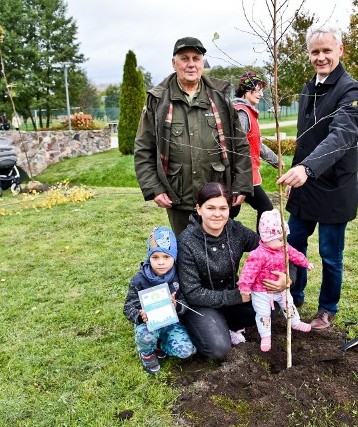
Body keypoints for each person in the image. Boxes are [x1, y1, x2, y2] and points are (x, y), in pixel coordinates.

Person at [276, 25, 358, 330]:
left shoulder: (351, 91)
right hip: (304, 184)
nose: (321, 57)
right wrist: (295, 172)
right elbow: (305, 140)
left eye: (327, 50)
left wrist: (308, 168)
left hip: (333, 187)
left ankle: (327, 308)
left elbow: (342, 136)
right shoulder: (306, 88)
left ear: (340, 50)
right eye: (315, 51)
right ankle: (293, 296)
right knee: (293, 245)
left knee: (330, 254)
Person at [134, 36, 253, 236]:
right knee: (185, 254)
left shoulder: (219, 97)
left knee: (219, 253)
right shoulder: (158, 100)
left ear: (202, 63)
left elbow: (239, 145)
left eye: (196, 59)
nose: (191, 64)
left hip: (217, 195)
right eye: (185, 58)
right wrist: (154, 187)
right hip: (177, 196)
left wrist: (241, 184)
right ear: (174, 63)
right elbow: (144, 148)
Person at [177, 182, 290, 359]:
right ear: (198, 209)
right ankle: (200, 326)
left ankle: (225, 324)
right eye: (210, 208)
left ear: (229, 209)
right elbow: (192, 292)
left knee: (272, 304)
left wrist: (287, 279)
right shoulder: (187, 241)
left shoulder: (235, 230)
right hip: (202, 304)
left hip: (231, 297)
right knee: (218, 349)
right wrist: (237, 296)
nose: (217, 214)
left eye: (223, 208)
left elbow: (277, 250)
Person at [123, 226, 196, 375]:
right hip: (149, 324)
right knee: (146, 335)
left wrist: (177, 306)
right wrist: (139, 315)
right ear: (149, 257)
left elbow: (186, 303)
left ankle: (161, 346)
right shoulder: (139, 280)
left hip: (171, 322)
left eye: (166, 257)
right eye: (155, 257)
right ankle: (147, 353)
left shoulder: (179, 277)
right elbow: (128, 307)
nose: (161, 262)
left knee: (187, 351)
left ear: (174, 257)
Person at [238, 209, 313, 352]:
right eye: (280, 239)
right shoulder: (258, 254)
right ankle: (265, 336)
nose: (283, 242)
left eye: (285, 238)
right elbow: (248, 272)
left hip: (281, 288)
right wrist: (245, 288)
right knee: (263, 314)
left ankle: (295, 322)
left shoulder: (284, 248)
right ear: (267, 238)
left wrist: (306, 263)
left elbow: (295, 255)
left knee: (289, 304)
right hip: (262, 292)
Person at [230, 71, 281, 230]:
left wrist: (275, 160)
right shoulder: (241, 112)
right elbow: (237, 147)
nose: (261, 94)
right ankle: (261, 247)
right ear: (246, 90)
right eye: (257, 89)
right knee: (266, 209)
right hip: (242, 175)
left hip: (248, 174)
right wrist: (238, 180)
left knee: (229, 213)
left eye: (262, 90)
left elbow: (255, 143)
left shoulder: (248, 112)